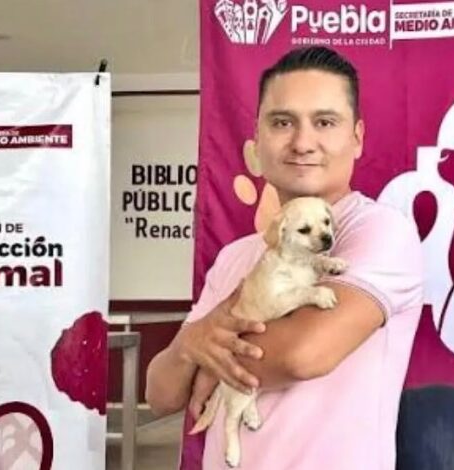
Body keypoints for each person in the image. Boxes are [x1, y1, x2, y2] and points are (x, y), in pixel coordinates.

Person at [145, 46, 424, 470]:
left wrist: (207, 361)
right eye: (281, 122)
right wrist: (188, 346)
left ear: (357, 137)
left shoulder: (380, 231)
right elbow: (161, 393)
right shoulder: (235, 257)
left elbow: (302, 354)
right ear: (257, 139)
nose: (302, 143)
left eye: (324, 122)